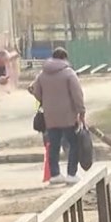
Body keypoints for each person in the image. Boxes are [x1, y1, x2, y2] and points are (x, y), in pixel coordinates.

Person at [29, 47, 87, 185]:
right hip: (68, 115)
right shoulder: (69, 74)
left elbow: (35, 92)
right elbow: (77, 95)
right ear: (65, 59)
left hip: (50, 116)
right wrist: (81, 111)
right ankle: (71, 174)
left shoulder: (42, 74)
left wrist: (46, 101)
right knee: (73, 144)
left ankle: (55, 175)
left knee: (53, 145)